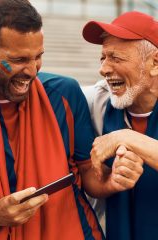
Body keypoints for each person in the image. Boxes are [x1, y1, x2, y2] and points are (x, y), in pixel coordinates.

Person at [0, 1, 144, 239]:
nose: (32, 71)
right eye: (19, 59)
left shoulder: (65, 93)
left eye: (38, 57)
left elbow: (86, 172)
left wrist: (111, 180)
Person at [81, 11, 158, 240]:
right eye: (102, 58)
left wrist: (125, 137)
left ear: (155, 63)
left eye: (115, 58)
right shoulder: (99, 99)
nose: (104, 69)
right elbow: (44, 88)